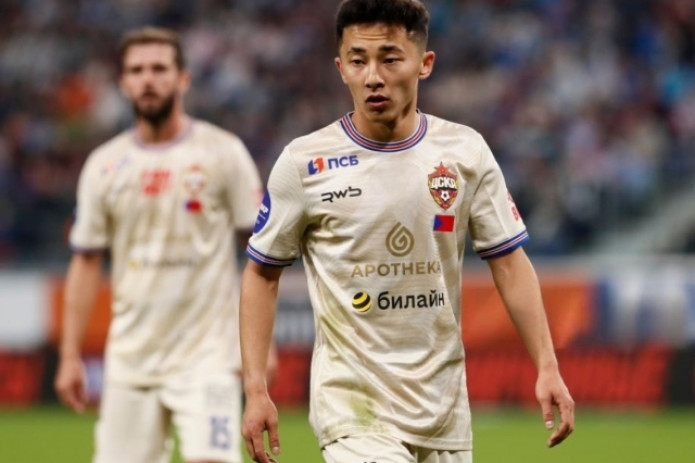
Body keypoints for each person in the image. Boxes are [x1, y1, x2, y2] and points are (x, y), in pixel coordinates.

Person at [239, 0, 575, 462]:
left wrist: (547, 366)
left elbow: (510, 264)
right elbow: (261, 274)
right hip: (353, 409)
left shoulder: (465, 152)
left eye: (390, 58)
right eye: (358, 60)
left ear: (424, 64)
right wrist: (255, 388)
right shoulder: (304, 163)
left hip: (443, 410)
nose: (373, 76)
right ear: (340, 68)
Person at [54, 26, 276, 463]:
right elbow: (85, 263)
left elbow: (262, 255)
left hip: (208, 358)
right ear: (123, 83)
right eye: (137, 71)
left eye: (159, 68)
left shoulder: (223, 152)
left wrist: (262, 350)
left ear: (183, 78)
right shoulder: (104, 165)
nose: (148, 79)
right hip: (131, 360)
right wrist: (69, 354)